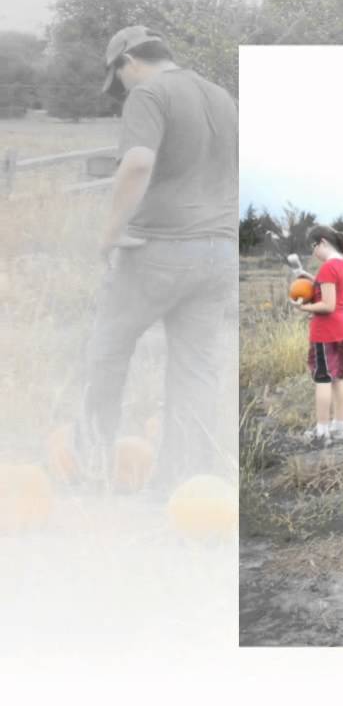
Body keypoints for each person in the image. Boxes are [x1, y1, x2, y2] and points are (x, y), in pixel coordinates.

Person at [76, 25, 238, 490]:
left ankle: (92, 465)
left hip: (159, 248)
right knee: (195, 370)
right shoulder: (223, 98)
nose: (122, 88)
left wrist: (111, 233)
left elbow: (138, 162)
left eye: (118, 79)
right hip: (219, 252)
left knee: (107, 349)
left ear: (128, 61)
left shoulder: (148, 94)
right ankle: (182, 483)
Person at [293, 226, 343, 446]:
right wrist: (310, 278)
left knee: (323, 379)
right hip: (342, 327)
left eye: (313, 246)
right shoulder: (342, 264)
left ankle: (322, 432)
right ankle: (339, 427)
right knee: (337, 378)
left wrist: (302, 308)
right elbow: (331, 290)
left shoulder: (328, 267)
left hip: (327, 331)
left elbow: (327, 305)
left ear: (323, 242)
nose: (313, 252)